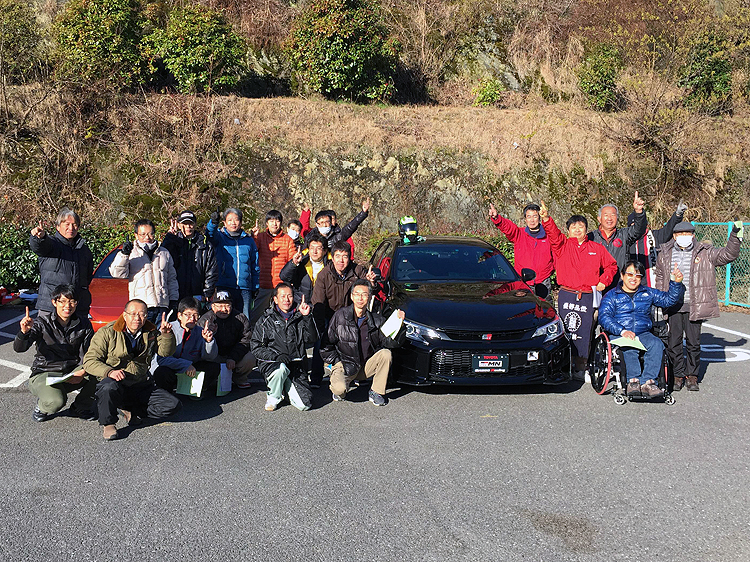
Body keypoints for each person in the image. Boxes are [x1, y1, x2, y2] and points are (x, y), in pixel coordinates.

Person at [655, 220, 743, 391]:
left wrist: (735, 235)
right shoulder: (665, 253)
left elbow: (728, 255)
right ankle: (678, 375)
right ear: (674, 236)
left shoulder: (705, 252)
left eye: (687, 234)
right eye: (680, 234)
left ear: (693, 235)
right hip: (673, 304)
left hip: (694, 304)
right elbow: (659, 275)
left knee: (694, 343)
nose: (684, 237)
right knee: (674, 342)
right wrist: (661, 296)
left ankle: (692, 376)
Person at [83, 299, 181, 441]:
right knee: (107, 387)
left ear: (147, 316)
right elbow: (89, 361)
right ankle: (108, 423)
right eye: (133, 314)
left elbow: (165, 352)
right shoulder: (107, 332)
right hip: (116, 383)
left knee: (173, 405)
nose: (137, 318)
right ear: (124, 315)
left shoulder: (151, 331)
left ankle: (131, 411)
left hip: (140, 382)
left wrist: (166, 335)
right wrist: (109, 372)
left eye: (142, 314)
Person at [544, 209, 618, 376]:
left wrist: (603, 281)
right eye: (573, 227)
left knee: (586, 331)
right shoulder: (561, 246)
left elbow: (611, 266)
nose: (577, 230)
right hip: (567, 295)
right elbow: (553, 234)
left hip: (588, 296)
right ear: (568, 230)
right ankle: (563, 365)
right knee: (565, 330)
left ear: (587, 229)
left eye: (581, 226)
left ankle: (582, 366)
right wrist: (547, 219)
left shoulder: (596, 248)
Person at [599, 261, 685, 397]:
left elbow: (668, 300)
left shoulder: (647, 293)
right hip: (619, 333)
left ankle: (648, 382)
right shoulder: (611, 296)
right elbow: (604, 317)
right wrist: (622, 330)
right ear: (622, 276)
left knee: (657, 344)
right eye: (630, 274)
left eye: (638, 275)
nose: (633, 278)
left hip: (643, 332)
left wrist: (676, 282)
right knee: (629, 346)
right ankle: (633, 381)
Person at [13, 284, 97, 421]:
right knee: (56, 402)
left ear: (77, 303)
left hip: (71, 370)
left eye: (72, 301)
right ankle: (42, 406)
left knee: (102, 374)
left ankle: (80, 406)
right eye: (62, 301)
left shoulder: (84, 324)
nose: (67, 306)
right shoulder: (41, 323)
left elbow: (90, 352)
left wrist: (83, 371)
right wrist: (24, 332)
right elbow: (19, 348)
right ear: (54, 302)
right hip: (45, 372)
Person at [322, 280, 406, 406]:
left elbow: (390, 343)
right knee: (339, 390)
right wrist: (335, 362)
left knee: (386, 353)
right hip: (344, 365)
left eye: (364, 294)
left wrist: (400, 324)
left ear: (369, 297)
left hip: (364, 366)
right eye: (357, 294)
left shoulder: (376, 320)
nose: (360, 298)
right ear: (351, 296)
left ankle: (376, 391)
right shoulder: (340, 316)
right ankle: (339, 384)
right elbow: (326, 345)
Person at [250, 283, 318, 412]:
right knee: (280, 369)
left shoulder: (300, 316)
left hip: (296, 365)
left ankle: (285, 388)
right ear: (275, 299)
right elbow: (256, 346)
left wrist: (307, 317)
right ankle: (273, 396)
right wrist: (276, 356)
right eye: (282, 296)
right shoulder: (266, 319)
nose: (286, 300)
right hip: (273, 363)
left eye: (290, 296)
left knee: (304, 405)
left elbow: (312, 339)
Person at [280, 233, 330, 387]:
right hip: (301, 307)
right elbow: (284, 277)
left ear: (324, 250)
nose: (314, 251)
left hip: (321, 308)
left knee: (319, 343)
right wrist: (292, 264)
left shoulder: (330, 265)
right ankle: (298, 376)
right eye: (312, 248)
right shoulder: (301, 262)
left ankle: (316, 378)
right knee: (299, 342)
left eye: (318, 248)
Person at [109, 218, 179, 324]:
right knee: (143, 338)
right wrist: (124, 254)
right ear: (136, 235)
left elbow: (171, 279)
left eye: (151, 234)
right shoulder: (131, 252)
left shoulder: (164, 253)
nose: (147, 238)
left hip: (162, 306)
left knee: (161, 338)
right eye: (143, 234)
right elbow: (117, 273)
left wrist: (173, 300)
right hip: (141, 307)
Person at [29, 207, 94, 318]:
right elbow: (40, 246)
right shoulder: (53, 244)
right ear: (58, 227)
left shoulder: (84, 250)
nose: (71, 228)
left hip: (77, 308)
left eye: (74, 224)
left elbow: (87, 277)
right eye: (67, 224)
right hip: (51, 307)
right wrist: (39, 238)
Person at [488, 201, 555, 301]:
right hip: (523, 282)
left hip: (543, 280)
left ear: (539, 217)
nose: (532, 220)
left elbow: (557, 254)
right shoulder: (519, 234)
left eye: (535, 216)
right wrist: (497, 218)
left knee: (545, 310)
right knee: (524, 309)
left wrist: (551, 270)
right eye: (529, 216)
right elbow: (508, 228)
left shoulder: (548, 236)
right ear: (525, 219)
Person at [153, 297, 219, 396]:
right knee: (162, 372)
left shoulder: (200, 331)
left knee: (213, 367)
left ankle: (195, 390)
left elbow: (209, 357)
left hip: (190, 368)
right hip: (172, 367)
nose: (192, 319)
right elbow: (161, 359)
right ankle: (166, 395)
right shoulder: (168, 329)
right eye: (187, 315)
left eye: (195, 315)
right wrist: (185, 364)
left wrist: (208, 342)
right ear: (179, 315)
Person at [205, 207, 260, 319]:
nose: (233, 223)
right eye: (229, 220)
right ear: (224, 222)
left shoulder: (248, 240)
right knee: (223, 317)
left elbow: (254, 265)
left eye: (236, 219)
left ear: (240, 222)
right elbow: (209, 234)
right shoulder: (220, 237)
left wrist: (255, 286)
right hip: (224, 285)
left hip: (245, 287)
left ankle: (245, 337)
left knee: (245, 318)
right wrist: (213, 222)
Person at [311, 240, 378, 329]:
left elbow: (370, 293)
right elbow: (318, 303)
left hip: (353, 316)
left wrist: (370, 283)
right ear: (333, 258)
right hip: (330, 317)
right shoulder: (324, 275)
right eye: (337, 256)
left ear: (349, 258)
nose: (341, 261)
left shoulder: (357, 271)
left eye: (345, 257)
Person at [197, 290, 256, 389]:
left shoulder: (240, 318)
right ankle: (210, 379)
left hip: (233, 355)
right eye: (219, 306)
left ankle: (239, 378)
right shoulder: (205, 320)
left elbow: (246, 340)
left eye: (227, 305)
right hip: (215, 356)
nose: (223, 309)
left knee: (251, 357)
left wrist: (233, 357)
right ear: (213, 306)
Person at [588, 191, 647, 289]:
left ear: (617, 218)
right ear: (599, 219)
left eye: (613, 215)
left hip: (620, 285)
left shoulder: (624, 234)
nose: (609, 218)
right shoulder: (591, 237)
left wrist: (639, 212)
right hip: (597, 286)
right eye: (606, 215)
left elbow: (639, 230)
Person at [251, 210, 298, 326]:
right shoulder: (260, 237)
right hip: (264, 284)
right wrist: (253, 237)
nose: (274, 224)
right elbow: (252, 252)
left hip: (281, 286)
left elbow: (292, 261)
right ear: (267, 223)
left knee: (282, 317)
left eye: (277, 221)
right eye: (271, 221)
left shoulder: (287, 240)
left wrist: (295, 261)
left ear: (281, 223)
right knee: (257, 317)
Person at [161, 211, 218, 303]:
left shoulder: (204, 245)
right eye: (184, 223)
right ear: (179, 225)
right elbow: (162, 259)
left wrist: (207, 293)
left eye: (190, 223)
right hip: (176, 293)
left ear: (195, 224)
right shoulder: (173, 243)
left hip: (198, 294)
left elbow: (211, 271)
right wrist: (170, 237)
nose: (188, 226)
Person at [627, 202, 688, 288]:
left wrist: (677, 215)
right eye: (634, 225)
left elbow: (669, 229)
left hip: (654, 286)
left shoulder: (655, 236)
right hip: (633, 286)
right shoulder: (626, 239)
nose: (638, 228)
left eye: (640, 225)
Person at [302, 198, 372, 257]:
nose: (325, 225)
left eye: (327, 222)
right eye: (322, 222)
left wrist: (363, 213)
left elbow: (350, 227)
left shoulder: (338, 236)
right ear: (316, 224)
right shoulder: (310, 237)